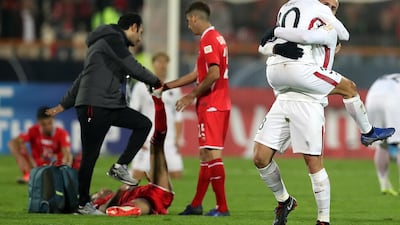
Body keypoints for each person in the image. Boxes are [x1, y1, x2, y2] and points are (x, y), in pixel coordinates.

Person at [254, 0, 395, 225]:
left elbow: (320, 37)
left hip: (310, 98)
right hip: (285, 96)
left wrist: (276, 33)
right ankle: (284, 201)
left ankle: (323, 220)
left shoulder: (324, 28)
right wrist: (277, 44)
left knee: (313, 162)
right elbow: (264, 45)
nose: (330, 9)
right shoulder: (309, 23)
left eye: (334, 7)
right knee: (260, 158)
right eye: (326, 4)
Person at [46, 13, 161, 215]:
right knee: (90, 155)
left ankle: (120, 166)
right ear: (133, 27)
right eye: (140, 33)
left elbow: (84, 76)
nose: (140, 39)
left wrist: (63, 105)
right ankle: (82, 204)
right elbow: (132, 66)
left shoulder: (106, 43)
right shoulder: (112, 39)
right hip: (94, 105)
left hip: (107, 105)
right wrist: (155, 81)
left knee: (143, 124)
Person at [158, 1, 231, 216]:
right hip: (218, 103)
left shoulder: (208, 39)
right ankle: (197, 204)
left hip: (212, 104)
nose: (189, 26)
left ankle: (222, 208)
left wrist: (191, 95)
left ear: (194, 19)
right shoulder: (217, 37)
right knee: (205, 154)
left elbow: (214, 74)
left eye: (188, 22)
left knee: (212, 154)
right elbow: (197, 74)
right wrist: (168, 86)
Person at [91, 94, 174, 216]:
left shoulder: (120, 194)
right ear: (94, 200)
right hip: (149, 195)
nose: (102, 190)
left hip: (152, 191)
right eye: (97, 193)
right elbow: (103, 209)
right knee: (142, 202)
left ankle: (158, 101)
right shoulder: (98, 204)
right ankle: (128, 210)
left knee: (157, 143)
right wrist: (119, 192)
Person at [130, 52, 184, 180]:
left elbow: (178, 115)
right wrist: (138, 138)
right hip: (148, 137)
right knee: (137, 175)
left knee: (177, 175)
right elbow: (133, 113)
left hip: (168, 138)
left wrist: (177, 138)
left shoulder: (174, 87)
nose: (162, 65)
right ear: (153, 64)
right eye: (159, 62)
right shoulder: (141, 86)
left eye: (165, 62)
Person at [8, 106, 72, 184]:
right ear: (38, 122)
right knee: (20, 146)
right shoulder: (33, 131)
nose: (47, 127)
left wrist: (65, 169)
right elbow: (12, 143)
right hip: (37, 167)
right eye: (43, 124)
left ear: (53, 120)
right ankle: (29, 175)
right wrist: (19, 157)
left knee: (75, 158)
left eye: (50, 123)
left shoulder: (62, 134)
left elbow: (67, 154)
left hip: (56, 168)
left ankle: (61, 176)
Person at [365, 73, 400, 196]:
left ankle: (384, 183)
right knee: (399, 144)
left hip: (372, 99)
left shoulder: (390, 76)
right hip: (393, 100)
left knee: (382, 143)